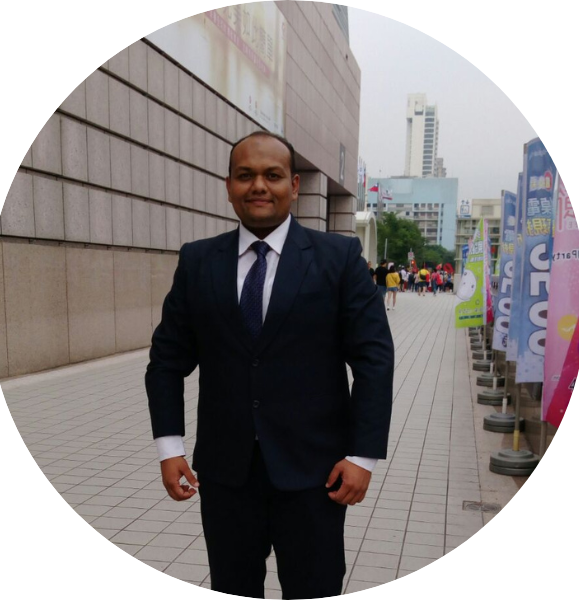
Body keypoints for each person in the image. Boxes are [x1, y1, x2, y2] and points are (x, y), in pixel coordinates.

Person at [145, 131, 394, 599]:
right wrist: (169, 447)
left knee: (314, 589)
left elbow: (374, 359)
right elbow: (166, 361)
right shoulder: (198, 261)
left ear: (294, 186)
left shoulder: (338, 259)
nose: (258, 185)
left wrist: (363, 456)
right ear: (229, 186)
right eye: (245, 175)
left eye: (272, 175)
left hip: (316, 475)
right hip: (226, 475)